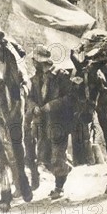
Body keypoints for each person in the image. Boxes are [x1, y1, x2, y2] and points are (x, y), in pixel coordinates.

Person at [26, 45, 74, 199]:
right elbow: (30, 98)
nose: (33, 63)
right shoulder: (35, 79)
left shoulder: (61, 76)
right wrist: (33, 108)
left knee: (56, 157)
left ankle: (59, 188)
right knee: (44, 157)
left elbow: (70, 98)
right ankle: (65, 168)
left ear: (42, 61)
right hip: (41, 124)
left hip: (58, 122)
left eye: (35, 60)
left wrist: (50, 106)